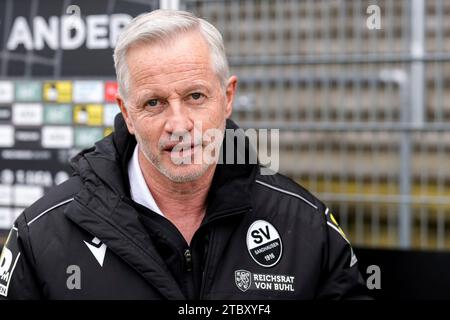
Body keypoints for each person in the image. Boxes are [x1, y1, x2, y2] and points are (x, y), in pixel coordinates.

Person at [0, 9, 368, 299]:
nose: (179, 124)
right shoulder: (42, 235)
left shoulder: (307, 225)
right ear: (127, 114)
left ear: (227, 98)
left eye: (195, 96)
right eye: (154, 103)